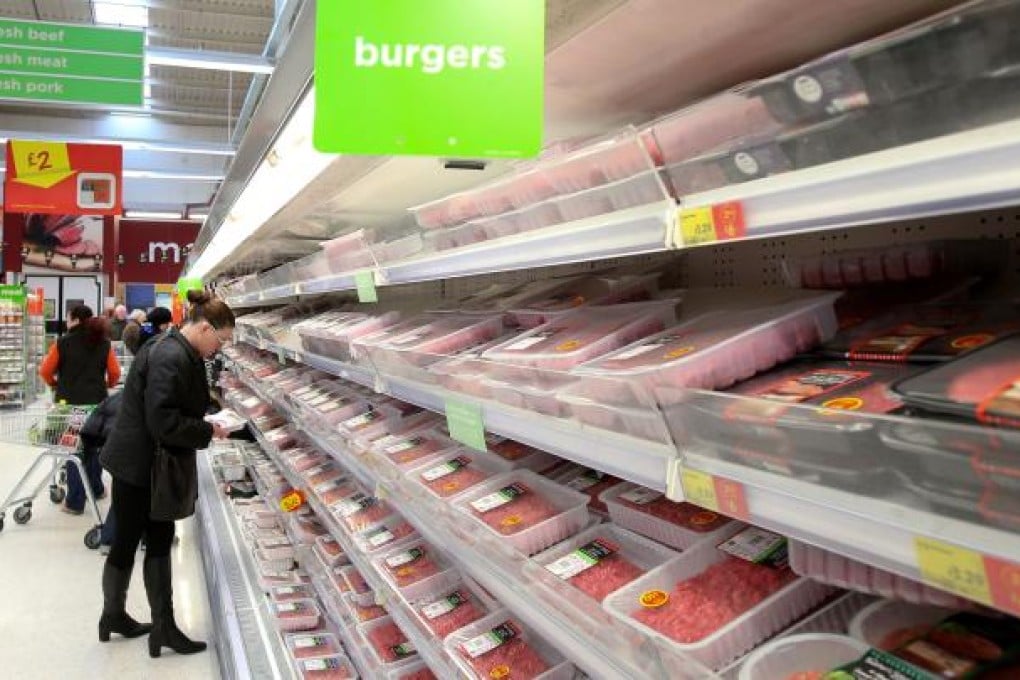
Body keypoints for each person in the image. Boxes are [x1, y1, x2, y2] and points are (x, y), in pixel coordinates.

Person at [99, 290, 234, 655]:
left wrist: (206, 412)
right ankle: (160, 627)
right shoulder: (171, 356)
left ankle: (116, 617)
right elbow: (163, 421)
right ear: (205, 328)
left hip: (139, 460)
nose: (218, 350)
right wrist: (208, 430)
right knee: (154, 540)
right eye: (219, 341)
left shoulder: (173, 348)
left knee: (128, 540)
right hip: (143, 464)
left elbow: (173, 404)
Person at [39, 305, 121, 514]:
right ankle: (96, 488)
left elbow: (45, 370)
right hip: (97, 405)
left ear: (74, 319)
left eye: (67, 318)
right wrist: (108, 385)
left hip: (71, 406)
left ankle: (75, 501)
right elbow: (114, 372)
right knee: (92, 447)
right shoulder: (104, 343)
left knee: (74, 449)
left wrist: (55, 384)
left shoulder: (63, 342)